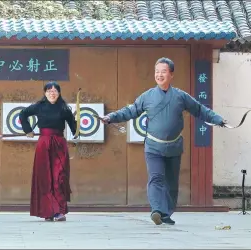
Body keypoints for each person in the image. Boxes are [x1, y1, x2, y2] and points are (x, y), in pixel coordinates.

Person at [101, 57, 227, 225]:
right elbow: (131, 111)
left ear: (171, 74)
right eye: (157, 72)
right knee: (156, 178)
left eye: (163, 71)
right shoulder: (147, 96)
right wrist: (111, 117)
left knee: (171, 183)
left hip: (174, 146)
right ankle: (157, 210)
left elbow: (200, 109)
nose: (159, 75)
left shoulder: (181, 97)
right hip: (153, 146)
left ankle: (166, 213)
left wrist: (218, 119)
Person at [19, 81, 78, 222]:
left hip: (59, 145)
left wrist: (77, 130)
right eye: (49, 91)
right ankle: (48, 211)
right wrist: (28, 130)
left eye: (55, 91)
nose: (52, 93)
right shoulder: (39, 106)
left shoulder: (64, 108)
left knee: (59, 176)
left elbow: (73, 126)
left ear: (59, 93)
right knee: (45, 178)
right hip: (44, 144)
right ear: (45, 93)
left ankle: (58, 211)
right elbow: (23, 114)